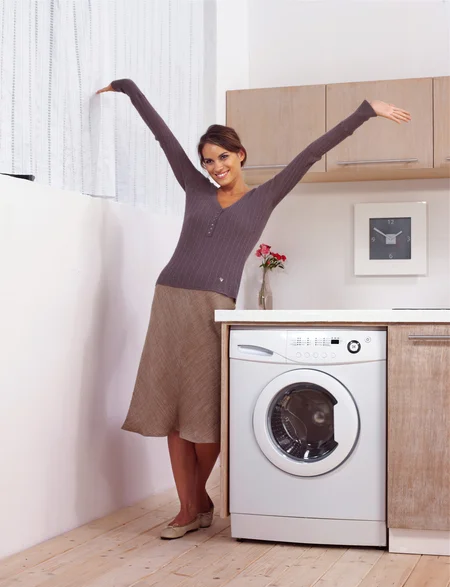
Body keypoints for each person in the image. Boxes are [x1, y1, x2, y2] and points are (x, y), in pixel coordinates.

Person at [96, 79, 411, 539]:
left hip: (213, 308)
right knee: (171, 411)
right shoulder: (196, 189)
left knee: (204, 417)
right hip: (168, 300)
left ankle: (198, 498)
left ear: (239, 154)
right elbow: (162, 135)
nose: (215, 166)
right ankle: (189, 510)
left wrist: (366, 111)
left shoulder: (264, 196)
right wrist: (129, 89)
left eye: (222, 157)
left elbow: (309, 153)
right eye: (207, 159)